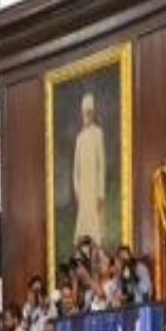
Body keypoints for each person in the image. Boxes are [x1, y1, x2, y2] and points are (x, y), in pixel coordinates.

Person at [73, 91, 107, 247]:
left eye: (89, 112)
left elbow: (101, 165)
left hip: (94, 188)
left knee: (95, 228)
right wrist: (78, 192)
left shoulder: (98, 133)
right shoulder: (79, 138)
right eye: (84, 113)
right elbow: (76, 170)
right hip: (84, 191)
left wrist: (100, 192)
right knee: (83, 229)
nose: (87, 116)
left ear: (93, 113)